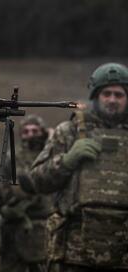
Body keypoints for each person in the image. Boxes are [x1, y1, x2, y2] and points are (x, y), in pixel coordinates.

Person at [30, 62, 128, 271]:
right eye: (106, 94)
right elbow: (37, 181)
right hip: (74, 254)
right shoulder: (70, 131)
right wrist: (67, 160)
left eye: (119, 95)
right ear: (95, 96)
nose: (112, 100)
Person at [0, 114, 53, 272]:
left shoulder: (51, 158)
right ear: (20, 135)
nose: (31, 135)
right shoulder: (9, 161)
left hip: (46, 228)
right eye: (26, 131)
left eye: (35, 131)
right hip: (15, 229)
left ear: (43, 132)